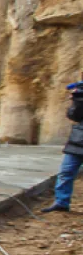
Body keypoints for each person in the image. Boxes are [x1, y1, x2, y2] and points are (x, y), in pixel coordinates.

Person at [42, 83, 83, 213]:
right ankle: (61, 202)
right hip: (77, 141)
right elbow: (73, 116)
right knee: (66, 172)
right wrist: (78, 99)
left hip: (77, 141)